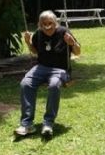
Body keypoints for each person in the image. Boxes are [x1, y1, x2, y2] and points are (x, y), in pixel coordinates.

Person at [15, 11, 81, 139]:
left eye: (50, 23)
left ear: (55, 23)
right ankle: (27, 124)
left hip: (60, 69)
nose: (47, 27)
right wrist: (28, 43)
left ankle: (48, 123)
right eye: (44, 24)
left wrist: (72, 43)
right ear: (40, 24)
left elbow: (77, 52)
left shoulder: (63, 32)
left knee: (54, 85)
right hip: (41, 68)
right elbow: (35, 51)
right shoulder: (38, 34)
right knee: (25, 83)